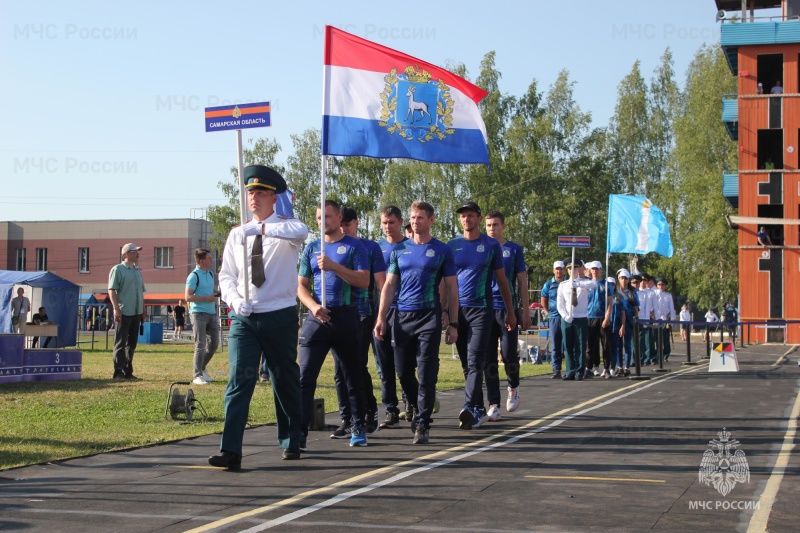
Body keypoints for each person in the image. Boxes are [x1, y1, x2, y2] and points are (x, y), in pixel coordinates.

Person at [210, 164, 308, 470]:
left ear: (273, 198)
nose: (253, 198)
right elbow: (226, 276)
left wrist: (263, 229)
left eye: (261, 193)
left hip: (279, 314)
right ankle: (231, 450)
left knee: (283, 377)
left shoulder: (286, 228)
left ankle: (291, 438)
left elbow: (301, 231)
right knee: (239, 378)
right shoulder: (237, 234)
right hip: (245, 319)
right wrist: (236, 301)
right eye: (250, 192)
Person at [374, 201, 459, 444]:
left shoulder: (442, 250)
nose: (415, 221)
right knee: (402, 371)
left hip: (428, 317)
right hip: (401, 317)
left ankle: (422, 422)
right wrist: (381, 318)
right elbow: (389, 285)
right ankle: (424, 403)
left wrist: (453, 323)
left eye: (420, 217)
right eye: (412, 217)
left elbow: (452, 287)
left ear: (431, 220)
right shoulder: (400, 250)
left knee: (427, 370)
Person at [297, 199, 371, 448]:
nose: (322, 221)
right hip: (317, 317)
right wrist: (312, 306)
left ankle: (357, 425)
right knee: (305, 376)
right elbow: (300, 286)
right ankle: (298, 434)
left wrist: (334, 267)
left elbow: (363, 281)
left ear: (339, 218)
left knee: (353, 374)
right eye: (319, 217)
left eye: (327, 217)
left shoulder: (354, 247)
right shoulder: (311, 248)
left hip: (346, 317)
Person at [448, 201, 516, 430]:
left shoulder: (490, 246)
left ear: (478, 218)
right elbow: (444, 283)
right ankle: (477, 409)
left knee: (476, 359)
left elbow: (503, 280)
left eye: (470, 215)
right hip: (459, 311)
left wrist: (510, 311)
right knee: (467, 365)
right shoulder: (452, 246)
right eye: (462, 216)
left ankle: (468, 407)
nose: (466, 219)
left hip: (482, 309)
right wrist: (446, 314)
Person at [330, 206, 385, 436]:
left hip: (362, 313)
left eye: (349, 223)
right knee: (339, 369)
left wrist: (382, 316)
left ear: (357, 223)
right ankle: (347, 418)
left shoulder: (369, 248)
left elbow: (381, 283)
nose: (345, 228)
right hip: (336, 313)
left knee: (356, 366)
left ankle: (367, 410)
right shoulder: (331, 247)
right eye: (343, 223)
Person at [483, 210, 530, 420]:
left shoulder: (513, 249)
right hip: (485, 308)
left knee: (509, 353)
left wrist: (525, 311)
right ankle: (493, 403)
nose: (492, 229)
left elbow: (521, 281)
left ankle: (514, 386)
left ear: (503, 226)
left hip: (507, 308)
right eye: (489, 225)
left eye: (495, 225)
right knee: (488, 358)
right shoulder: (481, 248)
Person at [374, 205, 415, 429]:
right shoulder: (375, 248)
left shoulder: (410, 246)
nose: (388, 227)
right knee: (384, 364)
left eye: (392, 222)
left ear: (401, 222)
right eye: (384, 223)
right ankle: (390, 408)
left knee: (404, 365)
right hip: (381, 311)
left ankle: (410, 402)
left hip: (406, 312)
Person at [108, 243, 146, 380]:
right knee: (120, 342)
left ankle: (127, 371)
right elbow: (111, 290)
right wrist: (116, 309)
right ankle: (118, 372)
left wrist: (143, 310)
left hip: (136, 312)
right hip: (124, 312)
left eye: (138, 251)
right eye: (135, 251)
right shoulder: (117, 269)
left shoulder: (137, 270)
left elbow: (141, 292)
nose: (138, 254)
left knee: (132, 343)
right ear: (126, 254)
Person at [556, 260, 597, 380]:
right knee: (568, 346)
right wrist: (565, 316)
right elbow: (560, 304)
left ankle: (579, 371)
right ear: (567, 270)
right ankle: (570, 371)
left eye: (575, 268)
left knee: (580, 345)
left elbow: (594, 285)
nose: (572, 271)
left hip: (581, 318)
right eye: (570, 269)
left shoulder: (585, 282)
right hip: (567, 319)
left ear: (579, 270)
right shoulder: (563, 285)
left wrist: (578, 285)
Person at [185, 249, 220, 385]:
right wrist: (206, 298)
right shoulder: (194, 276)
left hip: (211, 313)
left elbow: (210, 293)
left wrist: (218, 294)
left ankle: (202, 368)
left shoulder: (210, 274)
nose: (212, 260)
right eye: (209, 258)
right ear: (201, 261)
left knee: (214, 344)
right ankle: (197, 375)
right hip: (198, 313)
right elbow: (187, 297)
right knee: (200, 344)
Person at [541, 261, 566, 378]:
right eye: (557, 269)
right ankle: (556, 370)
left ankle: (571, 368)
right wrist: (549, 312)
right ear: (553, 270)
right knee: (556, 344)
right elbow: (543, 300)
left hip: (566, 317)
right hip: (554, 317)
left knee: (568, 344)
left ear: (564, 270)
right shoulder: (548, 284)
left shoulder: (568, 283)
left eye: (561, 269)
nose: (559, 271)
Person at [585, 261, 608, 378]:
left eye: (597, 269)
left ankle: (607, 368)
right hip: (590, 317)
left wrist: (607, 317)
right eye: (593, 269)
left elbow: (610, 303)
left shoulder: (605, 284)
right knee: (590, 345)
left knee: (605, 344)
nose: (595, 271)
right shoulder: (587, 284)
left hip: (602, 317)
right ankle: (589, 367)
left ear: (601, 269)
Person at [614, 269, 639, 374]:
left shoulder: (632, 291)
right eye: (621, 278)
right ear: (618, 279)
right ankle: (619, 366)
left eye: (625, 278)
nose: (623, 281)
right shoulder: (616, 291)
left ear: (629, 280)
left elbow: (636, 306)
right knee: (618, 345)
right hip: (617, 319)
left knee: (627, 344)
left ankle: (627, 367)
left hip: (629, 320)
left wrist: (636, 317)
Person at [653, 277, 675, 362]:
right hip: (656, 320)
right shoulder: (654, 294)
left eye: (662, 285)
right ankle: (658, 355)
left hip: (666, 320)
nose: (661, 286)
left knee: (665, 339)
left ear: (665, 286)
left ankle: (666, 355)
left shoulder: (668, 296)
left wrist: (671, 320)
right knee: (656, 339)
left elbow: (671, 309)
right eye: (659, 284)